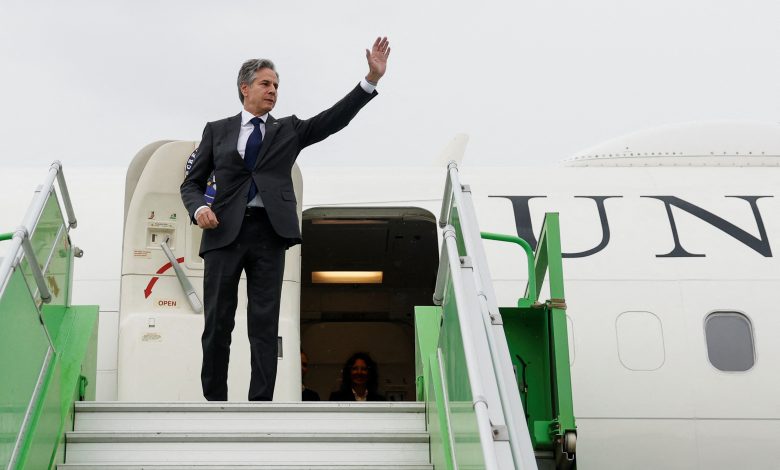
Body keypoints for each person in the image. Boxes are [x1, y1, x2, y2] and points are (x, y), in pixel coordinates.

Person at [181, 38, 391, 401]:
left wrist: (370, 80)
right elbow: (191, 183)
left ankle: (260, 402)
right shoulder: (217, 130)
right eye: (265, 84)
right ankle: (214, 401)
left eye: (276, 85)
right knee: (217, 321)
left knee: (264, 323)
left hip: (269, 234)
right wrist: (200, 209)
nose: (273, 91)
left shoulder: (288, 130)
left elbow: (332, 119)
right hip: (223, 234)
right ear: (245, 88)